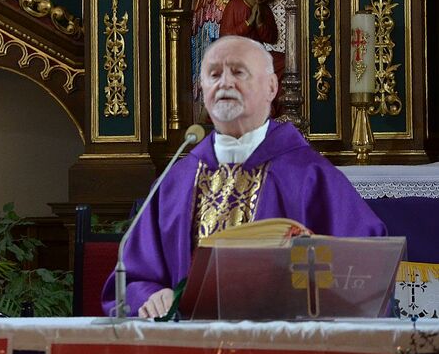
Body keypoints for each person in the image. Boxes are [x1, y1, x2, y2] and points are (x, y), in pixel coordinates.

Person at [101, 35, 387, 318]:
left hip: (283, 351)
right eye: (214, 74)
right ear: (202, 88)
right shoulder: (176, 182)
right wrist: (152, 296)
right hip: (190, 348)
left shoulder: (309, 176)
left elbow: (366, 268)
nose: (225, 82)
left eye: (238, 72)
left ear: (271, 87)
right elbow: (131, 279)